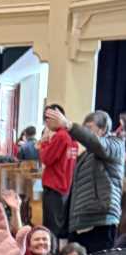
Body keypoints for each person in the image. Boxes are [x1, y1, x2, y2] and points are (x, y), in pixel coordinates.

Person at [44, 106, 125, 253]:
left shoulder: (116, 144)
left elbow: (98, 144)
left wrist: (68, 125)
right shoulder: (84, 156)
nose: (85, 132)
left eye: (89, 128)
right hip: (80, 224)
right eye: (84, 129)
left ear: (103, 129)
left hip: (100, 221)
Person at [39, 103, 79, 240]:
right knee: (57, 228)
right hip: (65, 188)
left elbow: (46, 158)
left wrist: (44, 142)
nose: (46, 123)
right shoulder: (72, 138)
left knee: (51, 230)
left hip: (54, 188)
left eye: (48, 118)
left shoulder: (60, 136)